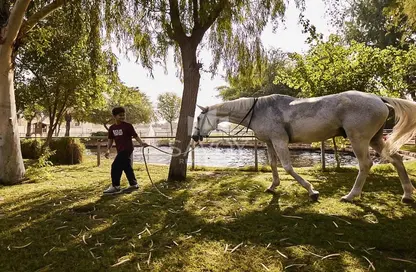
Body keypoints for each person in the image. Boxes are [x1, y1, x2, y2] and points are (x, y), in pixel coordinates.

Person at [103, 106, 148, 194]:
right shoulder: (112, 128)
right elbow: (110, 140)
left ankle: (116, 186)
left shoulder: (128, 126)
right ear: (114, 116)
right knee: (127, 167)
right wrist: (108, 149)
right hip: (120, 150)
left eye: (124, 115)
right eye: (120, 115)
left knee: (115, 166)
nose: (123, 117)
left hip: (127, 149)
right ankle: (133, 185)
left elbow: (135, 136)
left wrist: (141, 143)